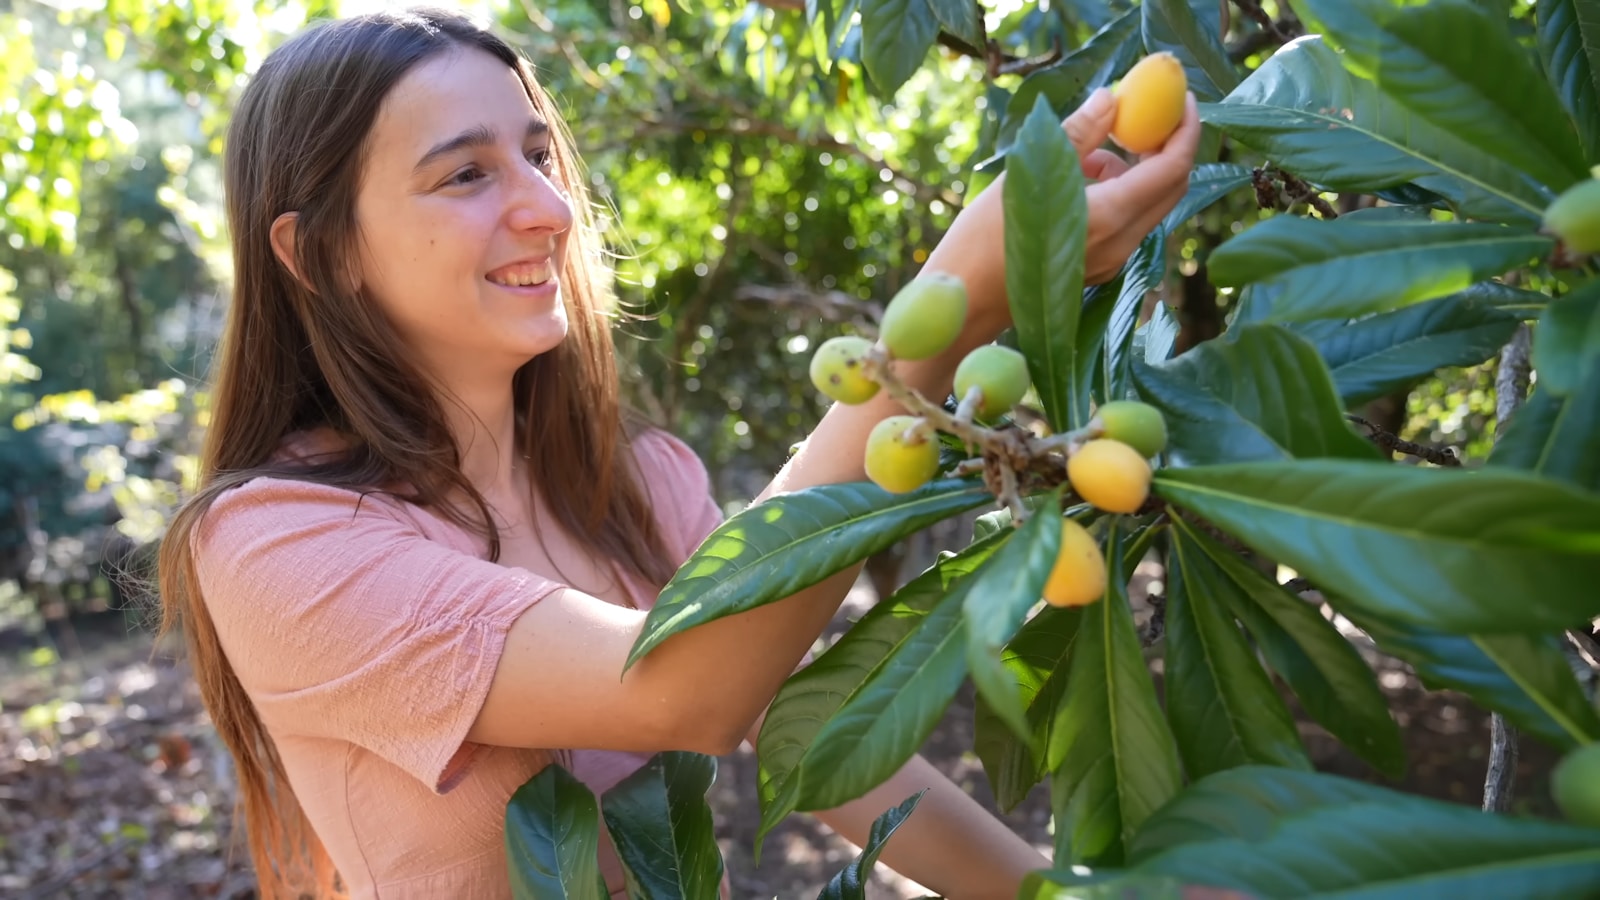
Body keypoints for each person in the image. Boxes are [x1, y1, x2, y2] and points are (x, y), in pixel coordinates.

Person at [154, 6, 1201, 899]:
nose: (551, 209)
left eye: (535, 154)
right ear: (318, 253)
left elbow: (811, 727)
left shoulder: (636, 482)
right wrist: (957, 305)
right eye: (466, 174)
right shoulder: (274, 546)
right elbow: (687, 694)